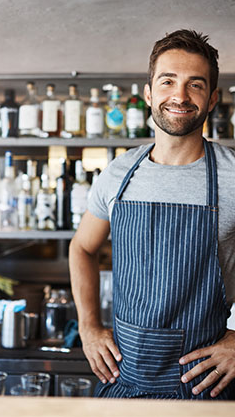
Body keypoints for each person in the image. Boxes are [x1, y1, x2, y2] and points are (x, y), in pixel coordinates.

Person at [70, 29, 234, 399]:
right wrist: (89, 327)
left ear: (212, 100)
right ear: (148, 94)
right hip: (124, 380)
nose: (180, 95)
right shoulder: (117, 174)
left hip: (205, 385)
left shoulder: (233, 176)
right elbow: (81, 248)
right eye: (168, 81)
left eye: (195, 84)